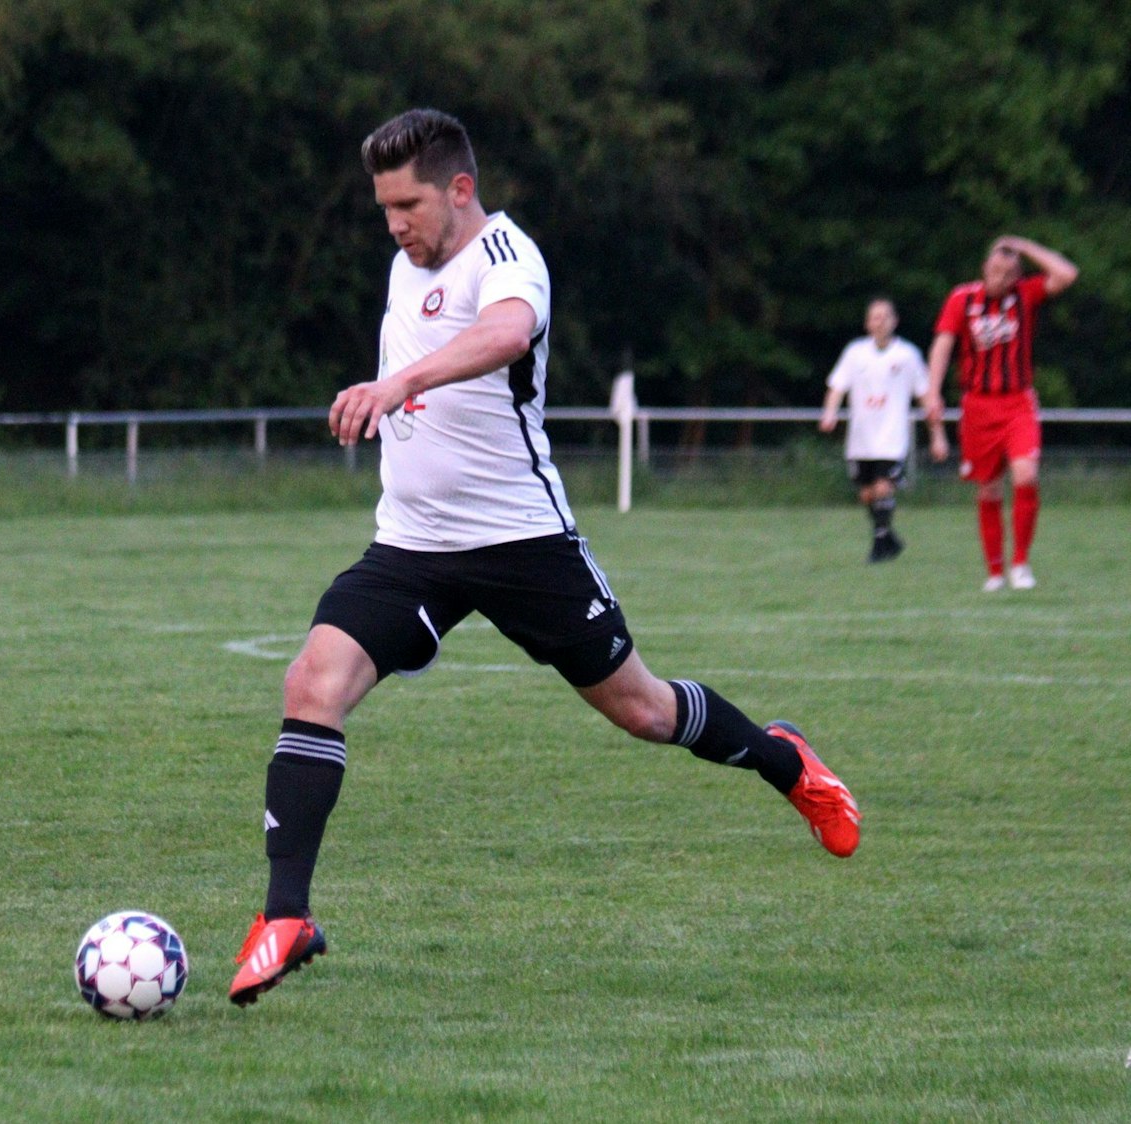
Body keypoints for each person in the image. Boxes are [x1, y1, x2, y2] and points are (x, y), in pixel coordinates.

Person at [228, 110, 863, 1008]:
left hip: (524, 543)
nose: (394, 225)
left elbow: (507, 334)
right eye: (381, 209)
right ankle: (283, 918)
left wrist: (398, 384)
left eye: (407, 204)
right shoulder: (403, 261)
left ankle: (782, 760)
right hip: (411, 545)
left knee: (642, 712)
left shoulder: (508, 258)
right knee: (310, 685)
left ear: (459, 190)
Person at [926, 236, 1079, 591]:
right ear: (984, 269)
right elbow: (943, 344)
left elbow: (1067, 274)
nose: (1000, 279)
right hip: (978, 405)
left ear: (1016, 276)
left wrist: (1024, 247)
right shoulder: (961, 299)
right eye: (995, 270)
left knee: (1025, 475)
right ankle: (995, 571)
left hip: (1017, 403)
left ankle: (1020, 563)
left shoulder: (1025, 295)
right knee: (989, 490)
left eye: (1008, 273)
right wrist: (933, 391)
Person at [818, 297, 948, 562]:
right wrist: (830, 412)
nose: (880, 321)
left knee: (882, 488)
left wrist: (938, 436)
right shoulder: (855, 353)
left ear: (895, 321)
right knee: (866, 494)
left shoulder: (907, 355)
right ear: (867, 324)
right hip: (861, 439)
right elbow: (837, 386)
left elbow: (926, 397)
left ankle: (879, 546)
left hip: (892, 437)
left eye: (885, 316)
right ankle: (888, 536)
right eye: (875, 317)